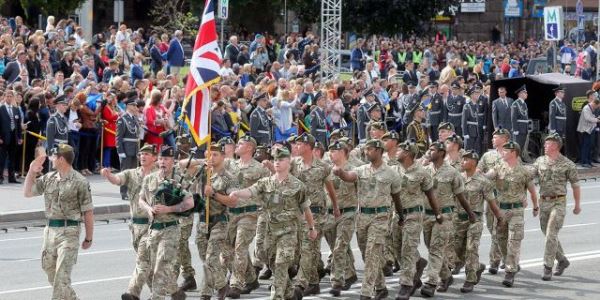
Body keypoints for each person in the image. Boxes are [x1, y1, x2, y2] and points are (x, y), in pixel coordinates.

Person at [230, 147, 318, 300]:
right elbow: (250, 191)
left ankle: (276, 295)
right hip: (270, 232)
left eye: (281, 160)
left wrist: (311, 228)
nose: (277, 162)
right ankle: (289, 292)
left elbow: (306, 209)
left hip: (289, 231)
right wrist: (237, 193)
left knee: (281, 262)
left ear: (289, 163)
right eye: (275, 160)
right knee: (270, 261)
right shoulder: (266, 183)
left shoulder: (298, 186)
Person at [23, 143, 94, 299]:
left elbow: (88, 212)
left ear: (61, 159)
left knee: (61, 276)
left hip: (70, 232)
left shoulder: (80, 181)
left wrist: (89, 237)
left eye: (53, 156)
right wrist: (31, 172)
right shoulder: (49, 178)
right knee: (50, 270)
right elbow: (28, 192)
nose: (50, 158)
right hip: (50, 232)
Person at [332, 139, 401, 300]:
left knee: (371, 254)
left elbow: (397, 198)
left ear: (378, 150)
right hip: (362, 217)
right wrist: (340, 173)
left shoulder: (391, 173)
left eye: (369, 149)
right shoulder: (361, 170)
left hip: (381, 217)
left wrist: (401, 217)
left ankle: (366, 292)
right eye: (365, 149)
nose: (366, 152)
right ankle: (381, 287)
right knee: (366, 254)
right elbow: (349, 177)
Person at [101, 144, 157, 300]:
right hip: (135, 225)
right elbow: (118, 180)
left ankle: (133, 293)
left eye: (147, 154)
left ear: (154, 157)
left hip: (152, 224)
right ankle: (162, 292)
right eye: (141, 154)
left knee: (143, 259)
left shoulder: (159, 175)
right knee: (147, 263)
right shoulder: (132, 173)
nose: (143, 157)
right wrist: (108, 175)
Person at [421, 142, 475, 297]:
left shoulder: (452, 173)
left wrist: (470, 213)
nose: (428, 152)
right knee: (431, 247)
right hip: (427, 215)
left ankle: (431, 282)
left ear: (441, 153)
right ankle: (446, 276)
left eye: (432, 150)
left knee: (436, 249)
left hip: (444, 216)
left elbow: (461, 196)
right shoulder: (424, 171)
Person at [138, 145, 193, 300]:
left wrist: (169, 209)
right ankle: (176, 293)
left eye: (166, 159)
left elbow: (190, 203)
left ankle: (157, 297)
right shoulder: (150, 178)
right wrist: (148, 209)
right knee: (150, 268)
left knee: (161, 267)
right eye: (161, 158)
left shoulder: (178, 180)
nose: (163, 162)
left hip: (170, 229)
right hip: (153, 230)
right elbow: (141, 199)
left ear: (173, 160)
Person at [291, 133, 339, 297]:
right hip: (297, 213)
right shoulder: (293, 164)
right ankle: (313, 282)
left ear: (308, 146)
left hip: (316, 213)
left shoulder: (323, 167)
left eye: (299, 144)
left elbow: (330, 189)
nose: (296, 147)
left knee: (307, 248)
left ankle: (300, 284)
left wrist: (335, 207)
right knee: (306, 250)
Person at [485, 141, 538, 287]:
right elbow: (488, 176)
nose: (502, 152)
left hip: (517, 211)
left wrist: (535, 207)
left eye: (505, 151)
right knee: (501, 240)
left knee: (514, 241)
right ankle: (510, 261)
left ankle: (510, 272)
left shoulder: (524, 171)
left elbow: (532, 191)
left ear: (513, 152)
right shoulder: (498, 167)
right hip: (501, 210)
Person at [392, 141, 438, 300]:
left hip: (414, 215)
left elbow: (431, 195)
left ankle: (406, 284)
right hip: (397, 215)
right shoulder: (393, 170)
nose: (397, 151)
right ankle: (418, 263)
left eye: (400, 149)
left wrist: (437, 214)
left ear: (408, 154)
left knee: (408, 248)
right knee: (396, 247)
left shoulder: (422, 172)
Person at [532, 133, 581, 281]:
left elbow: (575, 186)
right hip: (543, 201)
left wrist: (577, 205)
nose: (545, 146)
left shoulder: (568, 164)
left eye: (547, 144)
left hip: (558, 202)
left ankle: (547, 267)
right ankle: (562, 260)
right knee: (546, 233)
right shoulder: (540, 161)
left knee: (551, 234)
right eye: (545, 143)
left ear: (555, 146)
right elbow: (529, 175)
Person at [226, 136, 270, 298]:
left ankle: (236, 284)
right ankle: (251, 278)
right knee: (226, 253)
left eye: (241, 143)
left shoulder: (260, 169)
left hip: (250, 213)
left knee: (240, 247)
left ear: (250, 148)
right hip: (230, 214)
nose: (237, 145)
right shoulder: (230, 165)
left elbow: (268, 190)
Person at [456, 150, 504, 293]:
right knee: (456, 252)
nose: (463, 161)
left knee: (471, 248)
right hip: (458, 219)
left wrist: (500, 218)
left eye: (466, 159)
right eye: (462, 159)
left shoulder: (483, 181)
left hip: (475, 220)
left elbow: (492, 203)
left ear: (474, 162)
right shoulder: (458, 178)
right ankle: (477, 267)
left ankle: (470, 280)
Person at [326, 141, 359, 296]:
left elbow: (363, 191)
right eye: (330, 150)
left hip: (348, 213)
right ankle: (350, 274)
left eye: (334, 150)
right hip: (331, 213)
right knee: (337, 247)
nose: (331, 153)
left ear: (343, 152)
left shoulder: (355, 169)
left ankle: (337, 282)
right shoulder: (327, 169)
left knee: (340, 246)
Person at [478, 128, 511, 274]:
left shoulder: (511, 154)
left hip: (504, 198)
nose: (493, 139)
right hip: (490, 198)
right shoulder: (487, 156)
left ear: (505, 139)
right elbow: (478, 170)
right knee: (493, 229)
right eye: (493, 137)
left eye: (496, 137)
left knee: (500, 230)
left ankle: (494, 261)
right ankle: (506, 256)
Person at [0, 89, 23, 184]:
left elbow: (18, 125)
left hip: (14, 137)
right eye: (7, 96)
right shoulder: (1, 109)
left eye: (11, 96)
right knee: (2, 158)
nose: (9, 98)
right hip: (4, 137)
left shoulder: (16, 109)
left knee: (12, 158)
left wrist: (20, 137)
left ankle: (11, 177)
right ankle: (0, 176)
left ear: (13, 97)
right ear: (4, 97)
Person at [576, 90, 600, 168]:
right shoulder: (586, 107)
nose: (597, 108)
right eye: (597, 106)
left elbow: (592, 117)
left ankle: (589, 161)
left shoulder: (591, 107)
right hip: (585, 129)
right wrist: (597, 119)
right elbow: (587, 118)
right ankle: (584, 162)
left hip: (591, 129)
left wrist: (596, 118)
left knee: (590, 145)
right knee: (586, 145)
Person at [511, 85, 529, 158]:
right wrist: (515, 129)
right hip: (518, 129)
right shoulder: (515, 104)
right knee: (517, 146)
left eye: (526, 93)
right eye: (524, 93)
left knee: (521, 146)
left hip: (524, 128)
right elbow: (513, 118)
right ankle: (515, 161)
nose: (526, 94)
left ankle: (519, 161)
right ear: (520, 94)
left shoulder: (524, 104)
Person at [462, 87, 480, 152]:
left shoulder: (478, 105)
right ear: (472, 95)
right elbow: (464, 120)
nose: (478, 95)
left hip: (477, 131)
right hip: (469, 131)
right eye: (476, 93)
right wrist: (465, 133)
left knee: (476, 151)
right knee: (468, 151)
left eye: (478, 93)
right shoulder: (467, 106)